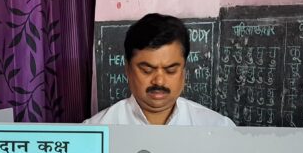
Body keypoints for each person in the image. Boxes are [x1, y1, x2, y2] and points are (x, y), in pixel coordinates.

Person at [85, 13, 235, 126]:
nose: (159, 80)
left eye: (170, 70)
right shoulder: (95, 131)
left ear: (183, 71)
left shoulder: (217, 128)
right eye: (147, 70)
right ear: (128, 69)